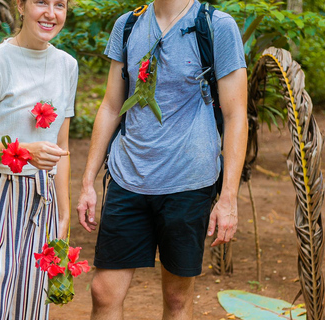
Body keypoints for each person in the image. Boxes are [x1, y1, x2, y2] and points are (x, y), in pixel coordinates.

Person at [76, 0, 247, 319]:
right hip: (128, 177)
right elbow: (111, 107)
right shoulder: (127, 24)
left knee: (176, 298)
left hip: (188, 183)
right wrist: (88, 181)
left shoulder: (216, 26)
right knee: (103, 292)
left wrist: (228, 199)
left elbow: (236, 115)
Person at [0, 0, 77, 319]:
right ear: (20, 6)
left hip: (43, 198)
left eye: (60, 5)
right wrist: (25, 151)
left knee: (31, 310)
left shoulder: (67, 65)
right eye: (41, 2)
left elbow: (61, 148)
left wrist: (63, 218)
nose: (51, 13)